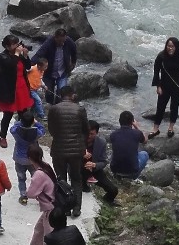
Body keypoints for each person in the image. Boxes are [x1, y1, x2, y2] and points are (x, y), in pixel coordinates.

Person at [47, 85, 89, 213]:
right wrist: (81, 144)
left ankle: (65, 207)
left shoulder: (54, 109)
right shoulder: (80, 109)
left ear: (61, 95)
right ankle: (76, 207)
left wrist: (59, 137)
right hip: (76, 150)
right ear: (72, 95)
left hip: (59, 148)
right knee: (76, 178)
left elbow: (51, 129)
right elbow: (86, 130)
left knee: (61, 178)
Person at [0, 33, 32, 146]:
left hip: (22, 87)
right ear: (7, 47)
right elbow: (10, 66)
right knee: (8, 115)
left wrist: (25, 55)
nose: (17, 46)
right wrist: (17, 54)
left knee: (23, 114)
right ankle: (3, 137)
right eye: (14, 44)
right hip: (10, 89)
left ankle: (23, 134)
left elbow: (28, 66)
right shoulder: (3, 56)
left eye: (17, 43)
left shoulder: (18, 55)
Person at [150, 37, 179, 135]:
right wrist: (158, 86)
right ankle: (155, 129)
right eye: (168, 46)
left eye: (172, 46)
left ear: (176, 47)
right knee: (160, 107)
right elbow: (156, 73)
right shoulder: (161, 57)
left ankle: (171, 128)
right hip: (164, 86)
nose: (170, 48)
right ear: (166, 46)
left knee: (174, 107)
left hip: (177, 87)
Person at [26, 142, 59, 245]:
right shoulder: (46, 166)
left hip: (50, 209)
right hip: (52, 205)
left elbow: (31, 193)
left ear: (29, 158)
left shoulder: (38, 174)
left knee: (50, 237)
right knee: (40, 229)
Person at [33, 26, 78, 105]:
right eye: (60, 41)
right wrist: (29, 65)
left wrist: (73, 63)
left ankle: (58, 107)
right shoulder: (48, 43)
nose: (62, 43)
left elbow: (74, 51)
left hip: (62, 72)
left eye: (63, 41)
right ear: (55, 38)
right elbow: (38, 55)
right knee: (49, 93)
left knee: (61, 93)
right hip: (49, 73)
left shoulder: (68, 42)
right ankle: (49, 107)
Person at [11, 104, 44, 201]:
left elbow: (12, 128)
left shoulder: (16, 131)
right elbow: (42, 130)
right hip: (32, 159)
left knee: (21, 178)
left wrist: (19, 122)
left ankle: (23, 196)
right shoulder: (36, 132)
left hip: (19, 158)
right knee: (36, 177)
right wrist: (36, 123)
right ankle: (38, 194)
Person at [83, 121, 121, 205]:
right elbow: (69, 158)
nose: (88, 136)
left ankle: (106, 200)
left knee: (113, 190)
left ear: (97, 133)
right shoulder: (78, 141)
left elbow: (104, 161)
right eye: (87, 133)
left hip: (94, 170)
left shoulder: (101, 142)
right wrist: (81, 155)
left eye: (91, 134)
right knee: (83, 188)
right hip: (79, 169)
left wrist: (95, 165)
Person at [108, 110, 149, 182]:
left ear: (119, 121)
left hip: (115, 170)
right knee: (145, 154)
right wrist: (136, 127)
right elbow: (145, 141)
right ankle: (133, 177)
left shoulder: (113, 134)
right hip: (132, 172)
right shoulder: (137, 133)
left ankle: (118, 175)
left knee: (115, 152)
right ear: (132, 122)